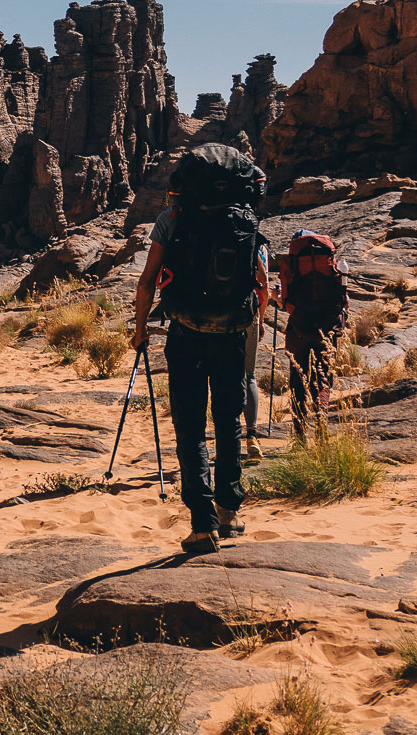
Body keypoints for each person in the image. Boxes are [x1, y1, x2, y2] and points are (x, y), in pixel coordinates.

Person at [129, 144, 269, 555]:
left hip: (186, 332)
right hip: (232, 332)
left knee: (190, 428)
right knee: (229, 421)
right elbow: (261, 280)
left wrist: (140, 330)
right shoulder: (248, 221)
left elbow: (147, 282)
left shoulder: (171, 219)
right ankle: (230, 512)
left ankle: (202, 524)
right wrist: (255, 321)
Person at [277, 230, 349, 438]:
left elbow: (286, 301)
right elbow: (343, 299)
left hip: (299, 325)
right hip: (327, 327)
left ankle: (300, 434)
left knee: (298, 378)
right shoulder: (329, 263)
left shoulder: (292, 264)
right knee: (323, 378)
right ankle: (322, 425)